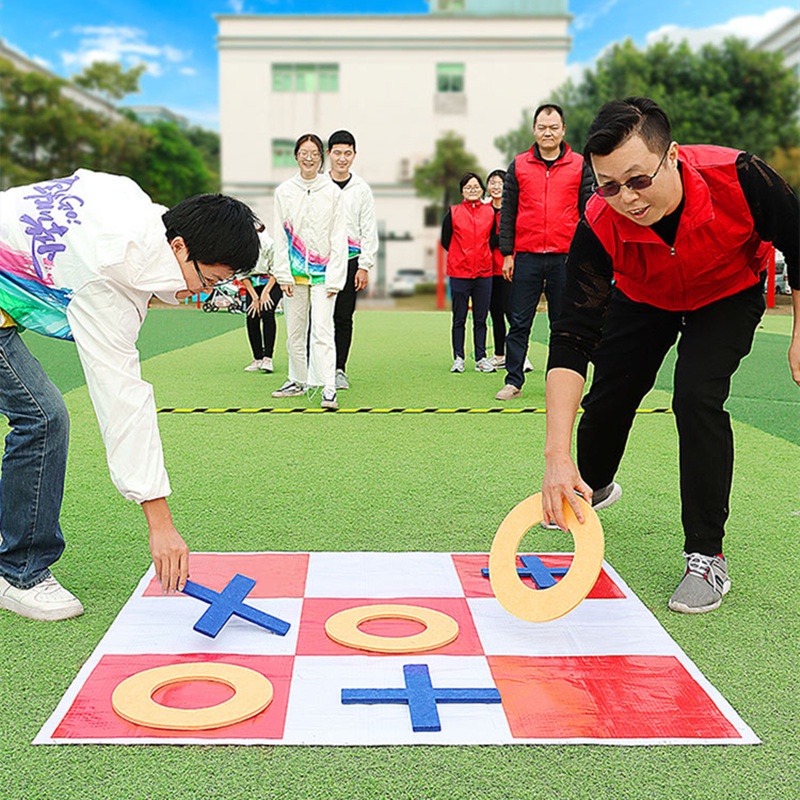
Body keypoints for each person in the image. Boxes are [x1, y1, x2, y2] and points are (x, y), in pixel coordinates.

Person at [541, 96, 799, 614]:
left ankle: (706, 555)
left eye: (638, 180)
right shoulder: (598, 221)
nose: (628, 199)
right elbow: (572, 335)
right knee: (611, 392)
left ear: (673, 156)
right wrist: (556, 456)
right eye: (609, 185)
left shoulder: (739, 176)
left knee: (696, 395)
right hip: (645, 295)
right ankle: (592, 483)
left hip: (727, 291)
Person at [0, 170, 261, 620]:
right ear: (179, 248)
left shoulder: (132, 201)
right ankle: (18, 573)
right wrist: (160, 522)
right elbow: (122, 401)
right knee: (43, 417)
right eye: (209, 279)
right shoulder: (107, 284)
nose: (206, 291)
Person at [495, 103, 591, 400]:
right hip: (527, 257)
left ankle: (559, 382)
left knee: (563, 324)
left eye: (553, 127)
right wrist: (507, 253)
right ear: (534, 130)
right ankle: (513, 380)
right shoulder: (519, 165)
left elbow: (589, 212)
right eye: (542, 127)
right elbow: (508, 211)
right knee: (519, 322)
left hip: (566, 258)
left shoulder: (579, 165)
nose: (547, 133)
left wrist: (585, 257)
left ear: (563, 130)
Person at [271, 133, 347, 409]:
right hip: (294, 274)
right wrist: (283, 274)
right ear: (296, 156)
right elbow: (280, 235)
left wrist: (336, 277)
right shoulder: (284, 192)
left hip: (324, 274)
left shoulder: (332, 192)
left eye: (314, 153)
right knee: (294, 330)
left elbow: (339, 236)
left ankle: (328, 387)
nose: (309, 158)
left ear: (321, 157)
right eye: (304, 153)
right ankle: (297, 379)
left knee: (323, 330)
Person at [326, 130, 378, 391]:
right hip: (321, 262)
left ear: (354, 155)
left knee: (343, 317)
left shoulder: (361, 189)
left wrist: (364, 265)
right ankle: (316, 369)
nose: (342, 158)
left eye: (347, 153)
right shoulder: (318, 185)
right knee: (318, 317)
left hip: (350, 260)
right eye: (337, 152)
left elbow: (368, 229)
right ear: (329, 154)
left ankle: (339, 369)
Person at [440, 172, 496, 374]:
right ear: (462, 191)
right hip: (459, 272)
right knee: (459, 318)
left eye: (476, 187)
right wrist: (460, 256)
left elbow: (493, 239)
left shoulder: (490, 212)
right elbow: (445, 239)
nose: (472, 190)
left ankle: (481, 358)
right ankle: (459, 358)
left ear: (482, 190)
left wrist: (482, 255)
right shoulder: (453, 212)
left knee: (481, 318)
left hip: (484, 273)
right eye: (468, 187)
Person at [241, 230, 282, 374]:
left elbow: (276, 271)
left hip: (271, 282)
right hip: (253, 284)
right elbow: (242, 274)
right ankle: (257, 358)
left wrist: (265, 293)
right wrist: (255, 298)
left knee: (267, 311)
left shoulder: (269, 245)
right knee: (252, 314)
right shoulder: (241, 246)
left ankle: (267, 358)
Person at [486, 169, 511, 369]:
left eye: (500, 183)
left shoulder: (512, 210)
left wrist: (499, 241)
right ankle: (499, 354)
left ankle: (520, 354)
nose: (496, 187)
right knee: (495, 314)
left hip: (509, 268)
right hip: (488, 270)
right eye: (492, 183)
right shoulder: (484, 210)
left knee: (514, 314)